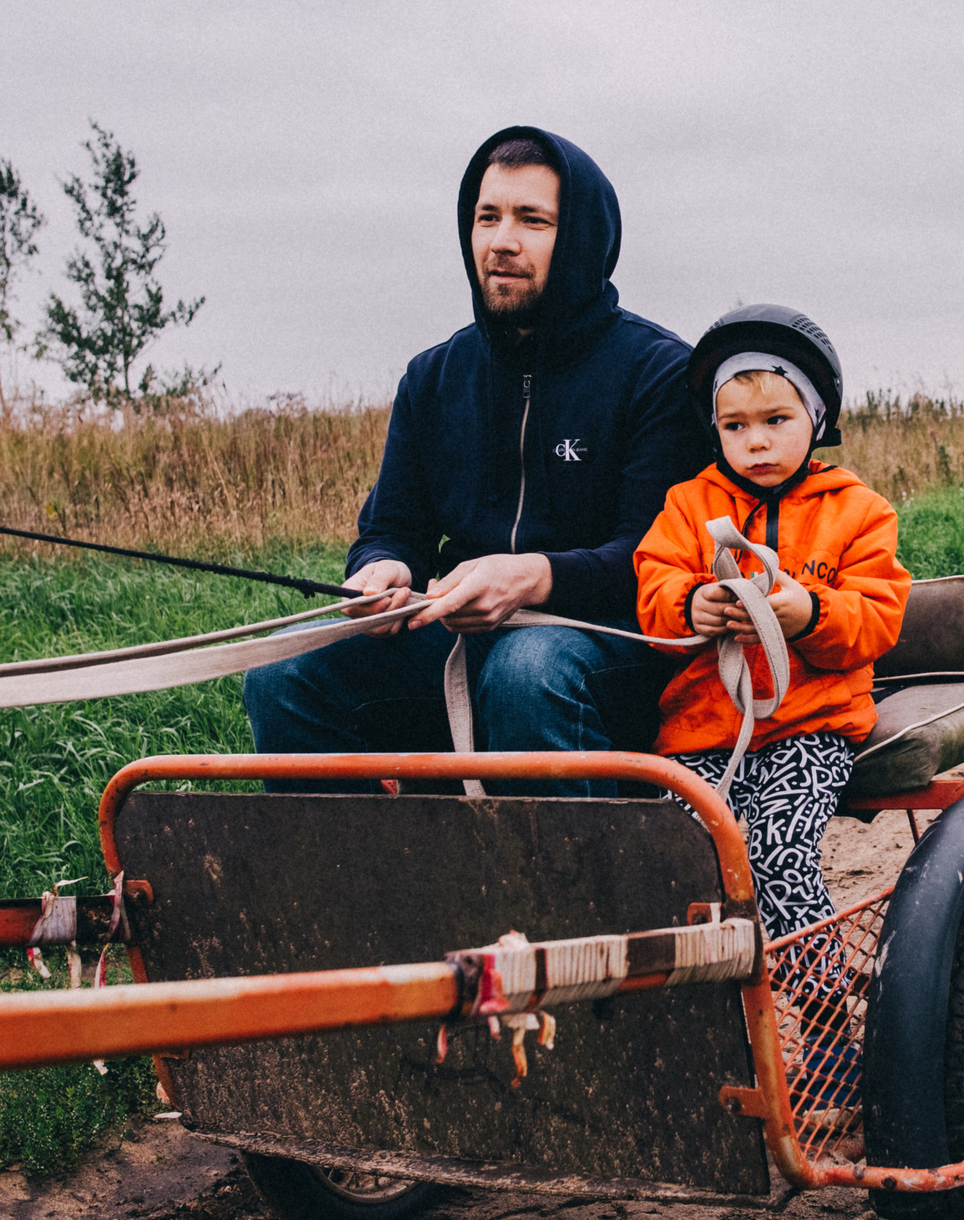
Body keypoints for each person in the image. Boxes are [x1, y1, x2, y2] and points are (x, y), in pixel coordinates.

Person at [242, 126, 708, 797]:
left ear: (579, 237)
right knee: (284, 675)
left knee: (527, 668)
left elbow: (652, 558)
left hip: (611, 654)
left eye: (532, 219)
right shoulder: (433, 377)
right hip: (459, 644)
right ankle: (372, 891)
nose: (501, 240)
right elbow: (390, 526)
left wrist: (531, 577)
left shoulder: (659, 374)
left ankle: (580, 896)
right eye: (486, 216)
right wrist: (382, 569)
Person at [633, 305, 910, 956]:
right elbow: (653, 583)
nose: (755, 441)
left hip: (810, 729)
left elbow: (877, 614)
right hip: (700, 731)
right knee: (678, 869)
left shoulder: (859, 510)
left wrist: (810, 614)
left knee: (778, 852)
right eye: (736, 425)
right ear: (715, 429)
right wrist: (689, 604)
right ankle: (727, 1032)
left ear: (815, 419)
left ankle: (821, 1030)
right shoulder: (689, 504)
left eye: (776, 421)